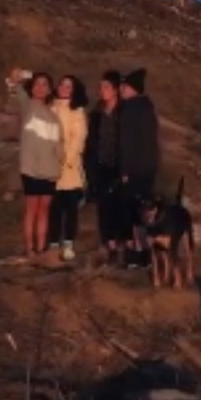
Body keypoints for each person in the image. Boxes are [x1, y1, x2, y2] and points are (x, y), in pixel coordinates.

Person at [7, 68, 61, 260]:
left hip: (50, 169)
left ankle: (41, 248)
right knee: (31, 207)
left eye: (45, 84)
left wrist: (59, 166)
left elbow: (57, 145)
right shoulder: (27, 104)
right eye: (38, 84)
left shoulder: (54, 115)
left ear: (49, 89)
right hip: (30, 167)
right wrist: (32, 74)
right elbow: (13, 78)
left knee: (44, 209)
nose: (40, 87)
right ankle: (30, 249)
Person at [118, 67, 160, 268]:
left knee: (132, 212)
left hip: (134, 169)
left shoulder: (130, 110)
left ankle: (136, 252)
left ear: (133, 89)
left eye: (124, 86)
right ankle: (146, 252)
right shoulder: (147, 108)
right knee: (145, 210)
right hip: (149, 167)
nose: (121, 90)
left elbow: (127, 143)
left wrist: (124, 170)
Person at [86, 70, 125, 266]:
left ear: (116, 90)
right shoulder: (96, 113)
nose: (102, 90)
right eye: (101, 87)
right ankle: (108, 246)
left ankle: (121, 246)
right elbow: (91, 141)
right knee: (103, 208)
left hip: (119, 167)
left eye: (106, 87)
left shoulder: (125, 113)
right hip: (99, 166)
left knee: (119, 207)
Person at [48, 75, 89, 261]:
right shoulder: (50, 107)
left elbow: (78, 139)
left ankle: (69, 244)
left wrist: (65, 160)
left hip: (70, 170)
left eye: (69, 86)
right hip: (49, 167)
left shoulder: (77, 111)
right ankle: (53, 243)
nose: (64, 88)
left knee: (70, 210)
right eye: (62, 84)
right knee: (53, 209)